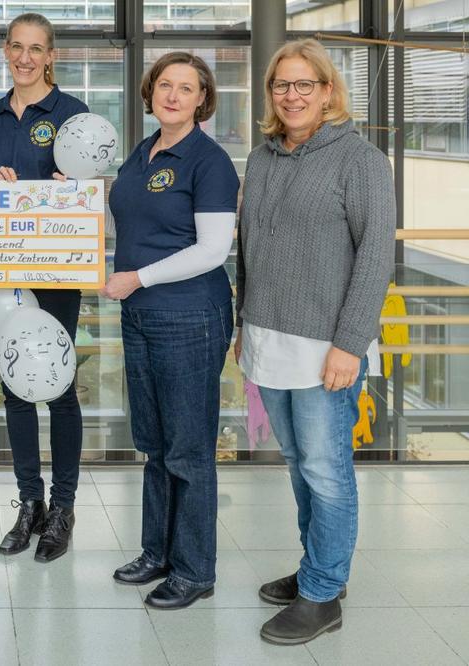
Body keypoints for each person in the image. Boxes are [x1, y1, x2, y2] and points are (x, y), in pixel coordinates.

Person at [236, 38, 395, 644]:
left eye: (305, 84)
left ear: (328, 91)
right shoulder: (262, 158)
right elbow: (250, 248)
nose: (292, 95)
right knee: (300, 466)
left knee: (327, 471)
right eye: (282, 84)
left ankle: (323, 593)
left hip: (327, 347)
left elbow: (375, 256)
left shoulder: (361, 160)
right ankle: (318, 569)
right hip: (268, 337)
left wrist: (350, 343)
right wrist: (243, 323)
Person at [103, 52, 239, 609]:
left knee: (188, 450)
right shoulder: (143, 153)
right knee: (155, 445)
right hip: (140, 315)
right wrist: (66, 196)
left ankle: (194, 570)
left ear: (203, 99)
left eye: (186, 88)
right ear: (150, 92)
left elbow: (213, 250)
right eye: (165, 85)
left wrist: (138, 277)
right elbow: (128, 218)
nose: (174, 95)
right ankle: (156, 552)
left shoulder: (210, 162)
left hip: (189, 318)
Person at [0, 12, 89, 563]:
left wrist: (71, 190)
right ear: (5, 50)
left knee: (59, 388)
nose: (25, 57)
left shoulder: (72, 114)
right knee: (15, 387)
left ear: (51, 56)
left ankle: (63, 508)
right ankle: (30, 504)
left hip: (57, 273)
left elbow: (90, 195)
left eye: (36, 48)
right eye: (17, 47)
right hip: (5, 274)